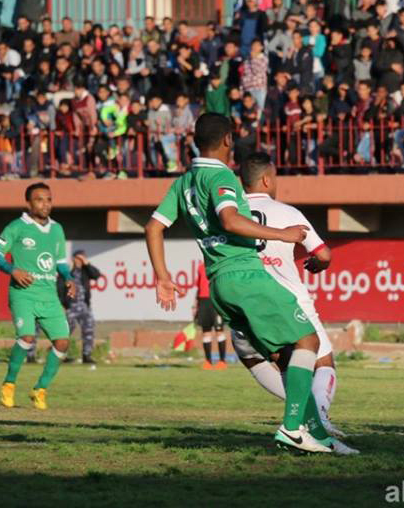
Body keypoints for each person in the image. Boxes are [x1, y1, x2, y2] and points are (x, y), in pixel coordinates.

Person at [144, 113, 343, 454]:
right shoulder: (221, 175)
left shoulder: (184, 181)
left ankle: (318, 436)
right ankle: (294, 428)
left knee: (283, 357)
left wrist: (162, 276)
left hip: (219, 281)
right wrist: (283, 235)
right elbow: (230, 219)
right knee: (307, 342)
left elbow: (153, 227)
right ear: (227, 141)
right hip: (245, 274)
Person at [236, 152, 352, 444]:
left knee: (253, 358)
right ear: (266, 179)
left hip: (243, 301)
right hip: (289, 301)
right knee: (322, 362)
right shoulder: (288, 213)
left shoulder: (230, 215)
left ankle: (300, 417)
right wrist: (319, 264)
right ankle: (318, 418)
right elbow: (323, 254)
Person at [0, 183, 77, 410]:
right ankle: (8, 386)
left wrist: (68, 277)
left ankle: (40, 389)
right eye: (39, 200)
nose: (45, 204)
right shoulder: (17, 227)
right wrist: (13, 270)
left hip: (49, 296)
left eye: (49, 199)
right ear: (28, 203)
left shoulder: (57, 229)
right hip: (23, 295)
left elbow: (59, 261)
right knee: (27, 338)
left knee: (62, 342)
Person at [64, 250, 101, 364]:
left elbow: (96, 275)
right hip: (71, 306)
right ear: (73, 259)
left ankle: (86, 355)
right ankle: (62, 355)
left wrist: (87, 263)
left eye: (82, 259)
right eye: (78, 258)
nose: (79, 261)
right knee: (65, 331)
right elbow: (60, 287)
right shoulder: (67, 271)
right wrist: (64, 304)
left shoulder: (86, 271)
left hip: (84, 306)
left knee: (88, 329)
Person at [195, 262, 227, 370]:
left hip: (216, 300)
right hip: (203, 301)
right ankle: (208, 362)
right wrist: (196, 305)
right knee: (206, 332)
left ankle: (222, 361)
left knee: (219, 331)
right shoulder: (200, 267)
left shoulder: (219, 265)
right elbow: (198, 286)